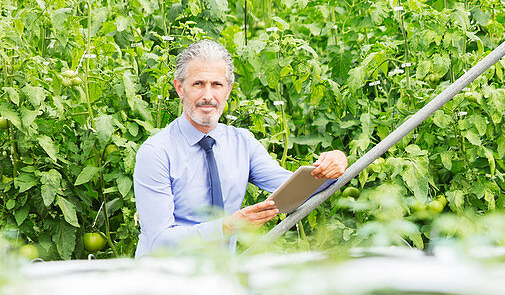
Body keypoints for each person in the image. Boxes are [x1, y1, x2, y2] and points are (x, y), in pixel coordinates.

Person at [133, 39, 348, 256]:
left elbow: (297, 188)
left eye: (216, 85)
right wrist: (227, 226)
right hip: (165, 279)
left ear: (228, 90)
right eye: (198, 84)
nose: (208, 95)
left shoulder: (242, 143)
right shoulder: (156, 153)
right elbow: (160, 241)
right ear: (180, 88)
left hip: (222, 275)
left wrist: (335, 164)